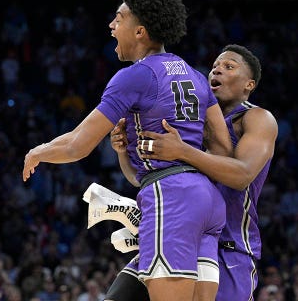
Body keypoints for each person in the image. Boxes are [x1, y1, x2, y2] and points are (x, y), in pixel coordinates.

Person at [22, 0, 232, 300]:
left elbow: (78, 144)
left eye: (119, 19)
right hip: (207, 202)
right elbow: (224, 149)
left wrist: (38, 151)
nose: (111, 26)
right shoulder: (195, 75)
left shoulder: (136, 75)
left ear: (140, 31)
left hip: (171, 200)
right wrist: (131, 152)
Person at [107, 44, 278, 301]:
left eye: (228, 67)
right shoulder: (190, 121)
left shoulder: (256, 118)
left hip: (228, 248)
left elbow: (242, 175)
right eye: (214, 67)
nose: (216, 71)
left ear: (249, 85)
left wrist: (183, 151)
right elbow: (143, 179)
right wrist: (122, 152)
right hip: (179, 234)